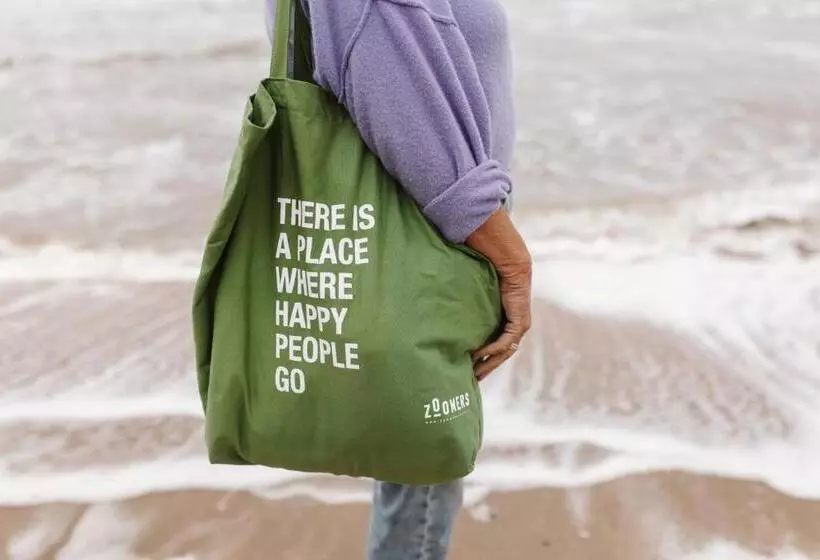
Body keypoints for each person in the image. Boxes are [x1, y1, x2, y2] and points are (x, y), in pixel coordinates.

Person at [266, 0, 532, 558]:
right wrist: (505, 251)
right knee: (424, 451)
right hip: (434, 220)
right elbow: (395, 90)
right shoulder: (457, 212)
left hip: (422, 214)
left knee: (415, 447)